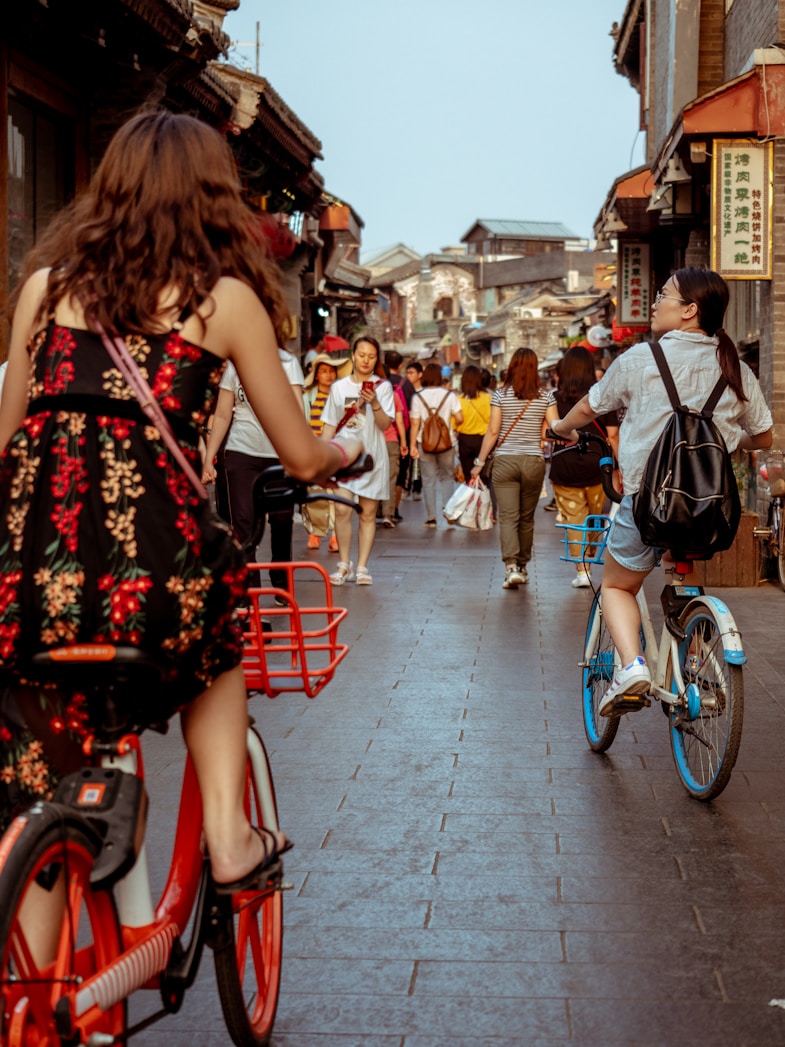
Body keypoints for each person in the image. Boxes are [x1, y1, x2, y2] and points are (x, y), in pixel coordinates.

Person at [0, 110, 362, 898]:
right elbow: (300, 453)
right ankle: (230, 839)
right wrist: (346, 452)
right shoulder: (223, 299)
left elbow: (8, 441)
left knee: (39, 781)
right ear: (212, 197)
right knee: (218, 646)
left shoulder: (41, 289)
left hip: (33, 581)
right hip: (153, 580)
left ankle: (40, 1001)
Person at [552, 268, 772, 716]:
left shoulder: (640, 359)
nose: (655, 302)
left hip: (645, 503)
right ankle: (691, 666)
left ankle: (631, 667)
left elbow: (589, 406)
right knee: (683, 579)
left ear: (690, 310)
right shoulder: (736, 369)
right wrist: (732, 440)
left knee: (616, 586)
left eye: (663, 295)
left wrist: (559, 428)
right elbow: (763, 437)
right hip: (709, 511)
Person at [202, 348, 304, 598]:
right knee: (243, 524)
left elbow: (298, 410)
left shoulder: (287, 362)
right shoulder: (235, 366)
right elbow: (224, 414)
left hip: (279, 453)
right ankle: (249, 589)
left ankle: (281, 581)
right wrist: (208, 458)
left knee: (281, 521)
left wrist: (301, 453)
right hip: (240, 451)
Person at [470, 348, 559, 588]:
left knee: (508, 516)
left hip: (505, 461)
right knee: (526, 518)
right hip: (533, 462)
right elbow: (554, 429)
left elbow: (493, 432)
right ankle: (523, 566)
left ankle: (511, 569)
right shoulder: (547, 397)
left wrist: (479, 463)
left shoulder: (500, 396)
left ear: (512, 367)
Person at [320, 335, 395, 585]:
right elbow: (330, 424)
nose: (366, 360)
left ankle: (362, 566)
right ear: (353, 355)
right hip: (344, 456)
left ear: (377, 359)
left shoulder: (382, 387)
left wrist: (374, 404)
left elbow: (385, 425)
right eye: (362, 355)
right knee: (341, 509)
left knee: (368, 513)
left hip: (371, 457)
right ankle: (343, 564)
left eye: (371, 356)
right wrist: (321, 456)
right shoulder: (339, 387)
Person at [548, 346, 619, 588]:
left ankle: (582, 569)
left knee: (574, 518)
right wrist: (619, 467)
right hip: (598, 465)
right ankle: (590, 560)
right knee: (594, 515)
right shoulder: (602, 396)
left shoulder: (554, 398)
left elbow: (547, 433)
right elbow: (613, 435)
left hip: (565, 463)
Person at [301, 352, 352, 551]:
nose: (328, 375)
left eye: (331, 371)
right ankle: (314, 532)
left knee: (336, 494)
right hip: (313, 452)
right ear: (316, 375)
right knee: (313, 493)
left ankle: (336, 536)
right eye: (324, 372)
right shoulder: (307, 397)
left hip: (336, 451)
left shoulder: (340, 396)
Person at [409, 362, 463, 528]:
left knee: (428, 480)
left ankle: (431, 516)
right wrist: (452, 428)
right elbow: (460, 418)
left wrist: (412, 445)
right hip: (447, 443)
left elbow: (415, 423)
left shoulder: (417, 397)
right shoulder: (449, 396)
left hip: (424, 443)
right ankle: (448, 513)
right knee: (447, 478)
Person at [454, 364, 492, 485]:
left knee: (468, 475)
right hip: (484, 440)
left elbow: (454, 424)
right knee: (484, 475)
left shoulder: (458, 399)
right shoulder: (488, 398)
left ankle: (472, 501)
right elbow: (492, 421)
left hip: (465, 440)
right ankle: (484, 501)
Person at [403, 360, 424, 500]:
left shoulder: (424, 392)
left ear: (420, 374)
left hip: (421, 431)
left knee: (418, 461)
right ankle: (405, 487)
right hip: (407, 429)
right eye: (407, 373)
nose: (409, 375)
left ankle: (416, 488)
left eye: (412, 373)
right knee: (407, 461)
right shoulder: (404, 390)